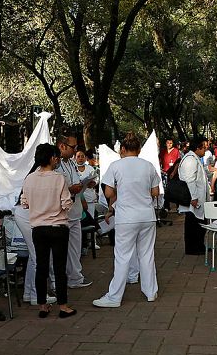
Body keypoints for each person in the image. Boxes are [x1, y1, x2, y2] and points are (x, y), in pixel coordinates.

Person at [92, 133, 160, 308]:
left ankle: (114, 297)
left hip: (126, 217)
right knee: (147, 254)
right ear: (139, 149)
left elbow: (108, 193)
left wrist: (121, 193)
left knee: (122, 256)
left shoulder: (116, 166)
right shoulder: (148, 165)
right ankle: (150, 292)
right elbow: (155, 192)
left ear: (122, 149)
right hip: (147, 216)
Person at [21, 144, 77, 318]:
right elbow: (66, 203)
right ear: (53, 158)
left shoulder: (29, 178)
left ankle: (42, 305)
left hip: (38, 229)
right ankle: (63, 306)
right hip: (58, 227)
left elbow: (24, 203)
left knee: (41, 267)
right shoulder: (59, 178)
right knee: (59, 268)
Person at [54, 137, 92, 288]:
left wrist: (83, 184)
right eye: (73, 147)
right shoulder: (55, 164)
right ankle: (58, 280)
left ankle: (75, 277)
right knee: (60, 249)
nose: (75, 150)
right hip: (61, 213)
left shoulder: (71, 163)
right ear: (62, 146)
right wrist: (70, 189)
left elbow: (76, 181)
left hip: (75, 211)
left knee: (75, 247)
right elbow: (54, 188)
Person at [178, 138, 209, 255]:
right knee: (193, 224)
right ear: (197, 148)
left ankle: (200, 245)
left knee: (200, 223)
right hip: (193, 199)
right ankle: (192, 248)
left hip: (198, 198)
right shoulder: (190, 160)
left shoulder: (194, 158)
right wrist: (194, 197)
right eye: (204, 147)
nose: (205, 150)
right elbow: (190, 180)